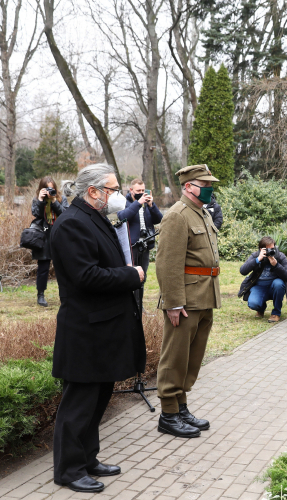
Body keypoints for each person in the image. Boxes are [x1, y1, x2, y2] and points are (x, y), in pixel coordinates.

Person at [50, 164, 145, 493]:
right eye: (113, 189)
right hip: (84, 333)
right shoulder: (71, 224)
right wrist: (133, 275)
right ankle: (68, 470)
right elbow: (87, 277)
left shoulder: (93, 218)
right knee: (78, 406)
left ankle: (88, 459)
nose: (118, 196)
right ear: (93, 192)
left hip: (102, 330)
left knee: (96, 400)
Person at [155, 164, 221, 438]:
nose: (209, 188)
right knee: (175, 356)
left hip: (204, 295)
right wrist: (173, 303)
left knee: (191, 358)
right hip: (184, 300)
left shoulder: (201, 213)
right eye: (204, 184)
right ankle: (168, 414)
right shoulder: (177, 216)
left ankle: (181, 407)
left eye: (210, 184)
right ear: (188, 187)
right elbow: (167, 263)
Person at [31, 176, 69, 307]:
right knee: (43, 268)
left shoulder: (61, 198)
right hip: (43, 236)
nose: (49, 191)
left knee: (64, 267)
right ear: (41, 189)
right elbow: (36, 215)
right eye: (46, 189)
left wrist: (54, 201)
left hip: (60, 235)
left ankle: (65, 294)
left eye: (51, 189)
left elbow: (65, 214)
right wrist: (41, 200)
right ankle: (40, 295)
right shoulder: (37, 199)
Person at [239, 237, 287, 323]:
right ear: (261, 249)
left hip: (274, 287)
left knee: (278, 284)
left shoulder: (279, 256)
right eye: (268, 249)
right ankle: (260, 307)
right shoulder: (255, 255)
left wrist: (276, 265)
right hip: (259, 287)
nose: (271, 251)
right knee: (253, 304)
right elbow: (242, 271)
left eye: (273, 249)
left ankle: (276, 313)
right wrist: (257, 260)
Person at [116, 178, 163, 274]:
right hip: (131, 246)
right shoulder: (124, 202)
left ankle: (141, 290)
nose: (141, 192)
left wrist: (151, 205)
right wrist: (138, 203)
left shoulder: (147, 204)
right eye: (138, 190)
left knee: (143, 275)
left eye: (143, 190)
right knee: (132, 275)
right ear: (131, 190)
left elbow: (159, 219)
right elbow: (123, 217)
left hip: (145, 244)